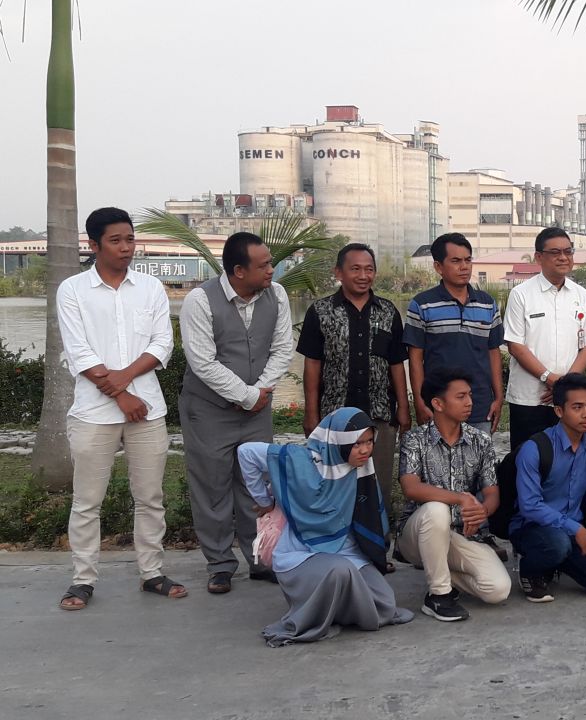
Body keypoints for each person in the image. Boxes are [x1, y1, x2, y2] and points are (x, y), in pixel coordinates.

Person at [56, 207, 187, 610]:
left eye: (130, 239)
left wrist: (125, 381)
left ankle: (151, 573)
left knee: (149, 497)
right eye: (116, 240)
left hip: (145, 411)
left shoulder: (150, 288)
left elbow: (162, 344)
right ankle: (82, 580)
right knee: (87, 501)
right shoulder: (73, 290)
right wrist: (120, 395)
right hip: (93, 414)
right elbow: (78, 350)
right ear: (93, 245)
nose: (126, 247)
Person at [238, 408, 415, 646]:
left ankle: (334, 609)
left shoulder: (361, 467)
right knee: (339, 570)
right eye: (356, 443)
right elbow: (245, 452)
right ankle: (312, 616)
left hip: (346, 551)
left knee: (384, 603)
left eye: (369, 441)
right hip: (301, 554)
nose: (365, 450)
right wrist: (264, 501)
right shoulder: (303, 460)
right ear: (339, 441)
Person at [180, 231, 293, 595]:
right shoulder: (199, 300)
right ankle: (220, 565)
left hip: (257, 408)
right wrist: (246, 395)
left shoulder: (277, 295)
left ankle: (261, 559)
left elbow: (282, 348)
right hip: (208, 411)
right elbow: (201, 361)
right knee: (211, 488)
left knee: (257, 486)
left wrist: (260, 391)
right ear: (238, 271)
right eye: (264, 265)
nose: (271, 270)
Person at [297, 243, 412, 518]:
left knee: (378, 486)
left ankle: (376, 549)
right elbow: (312, 364)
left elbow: (396, 363)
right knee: (335, 484)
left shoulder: (388, 311)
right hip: (333, 417)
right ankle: (337, 547)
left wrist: (404, 409)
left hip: (379, 415)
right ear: (339, 272)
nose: (363, 276)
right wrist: (311, 413)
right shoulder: (320, 312)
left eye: (369, 269)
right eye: (355, 269)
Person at [395, 368, 512, 622]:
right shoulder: (415, 439)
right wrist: (460, 498)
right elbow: (411, 487)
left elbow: (492, 493)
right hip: (416, 536)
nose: (470, 402)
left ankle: (441, 575)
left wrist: (482, 510)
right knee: (437, 511)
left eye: (470, 395)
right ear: (437, 403)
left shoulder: (480, 440)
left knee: (498, 589)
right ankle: (439, 595)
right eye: (461, 396)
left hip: (460, 535)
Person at [508, 373, 586, 602]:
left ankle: (558, 562)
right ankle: (531, 570)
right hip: (532, 528)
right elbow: (529, 506)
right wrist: (577, 529)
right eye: (577, 407)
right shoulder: (535, 448)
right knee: (557, 544)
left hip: (573, 529)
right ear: (559, 411)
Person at [504, 227, 586, 455]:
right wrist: (550, 378)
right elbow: (515, 345)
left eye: (568, 251)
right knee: (527, 458)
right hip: (530, 397)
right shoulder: (521, 294)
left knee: (568, 458)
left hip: (569, 400)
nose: (563, 257)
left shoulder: (581, 295)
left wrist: (565, 384)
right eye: (555, 252)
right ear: (539, 257)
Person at [405, 233, 504, 435]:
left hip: (479, 405)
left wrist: (498, 397)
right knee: (437, 465)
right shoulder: (422, 304)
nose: (464, 267)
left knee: (478, 464)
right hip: (438, 406)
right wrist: (420, 401)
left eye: (468, 260)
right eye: (456, 261)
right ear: (438, 267)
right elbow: (415, 358)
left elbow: (493, 353)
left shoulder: (487, 304)